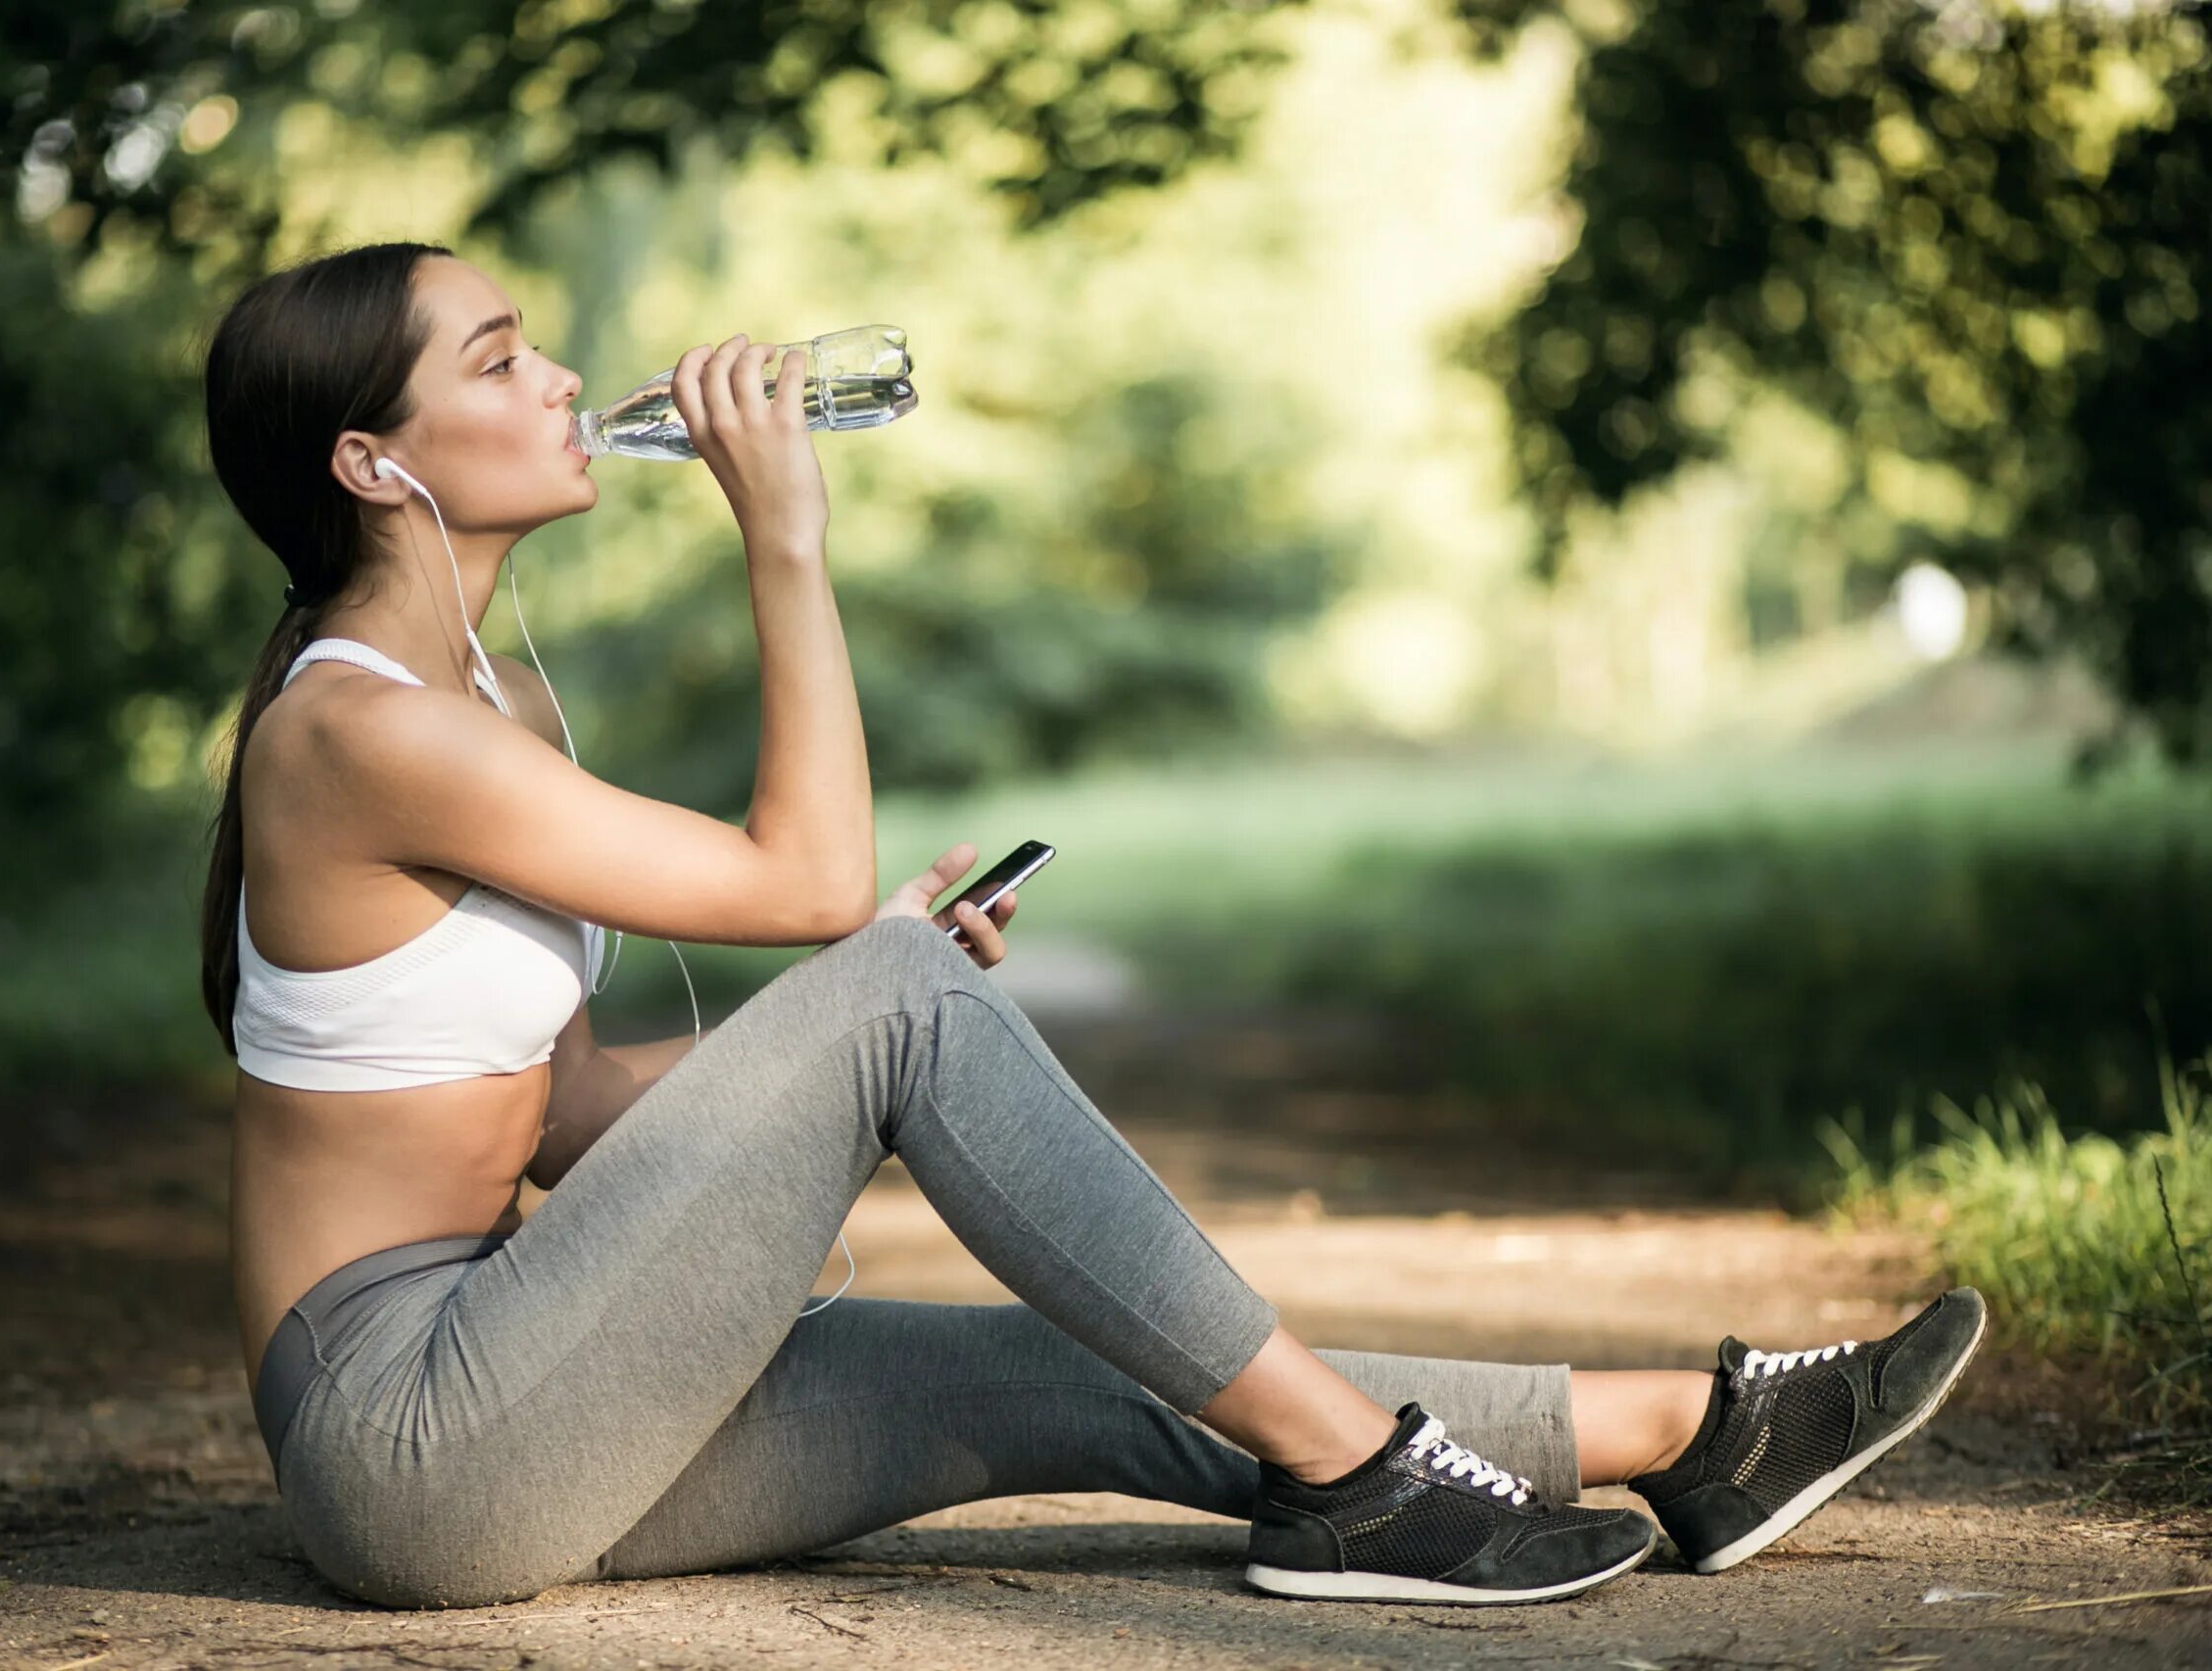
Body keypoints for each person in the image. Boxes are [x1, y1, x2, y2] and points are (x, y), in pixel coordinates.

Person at [193, 242, 1988, 1611]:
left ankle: (1696, 1432)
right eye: (503, 359)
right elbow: (809, 878)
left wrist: (842, 1035)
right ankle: (1369, 1483)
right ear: (372, 460)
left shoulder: (489, 701)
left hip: (526, 1378)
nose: (568, 375)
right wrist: (788, 545)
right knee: (880, 969)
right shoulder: (358, 728)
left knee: (1092, 1349)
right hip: (415, 1437)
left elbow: (568, 1108)